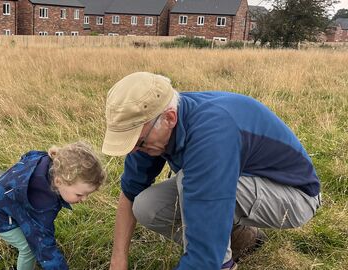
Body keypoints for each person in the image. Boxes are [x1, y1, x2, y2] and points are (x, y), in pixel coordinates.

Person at [102, 72, 321, 270]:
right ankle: (242, 239)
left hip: (294, 197)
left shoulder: (211, 135)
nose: (133, 150)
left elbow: (202, 259)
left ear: (169, 119)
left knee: (189, 184)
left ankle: (224, 262)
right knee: (146, 206)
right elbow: (130, 193)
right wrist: (118, 260)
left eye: (138, 142)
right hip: (238, 182)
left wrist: (209, 258)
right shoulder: (152, 124)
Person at [0, 141, 106, 270]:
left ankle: (19, 214)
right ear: (58, 181)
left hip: (4, 199)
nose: (84, 199)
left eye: (87, 194)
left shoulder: (48, 160)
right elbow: (44, 247)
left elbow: (27, 156)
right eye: (79, 194)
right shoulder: (41, 205)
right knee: (28, 248)